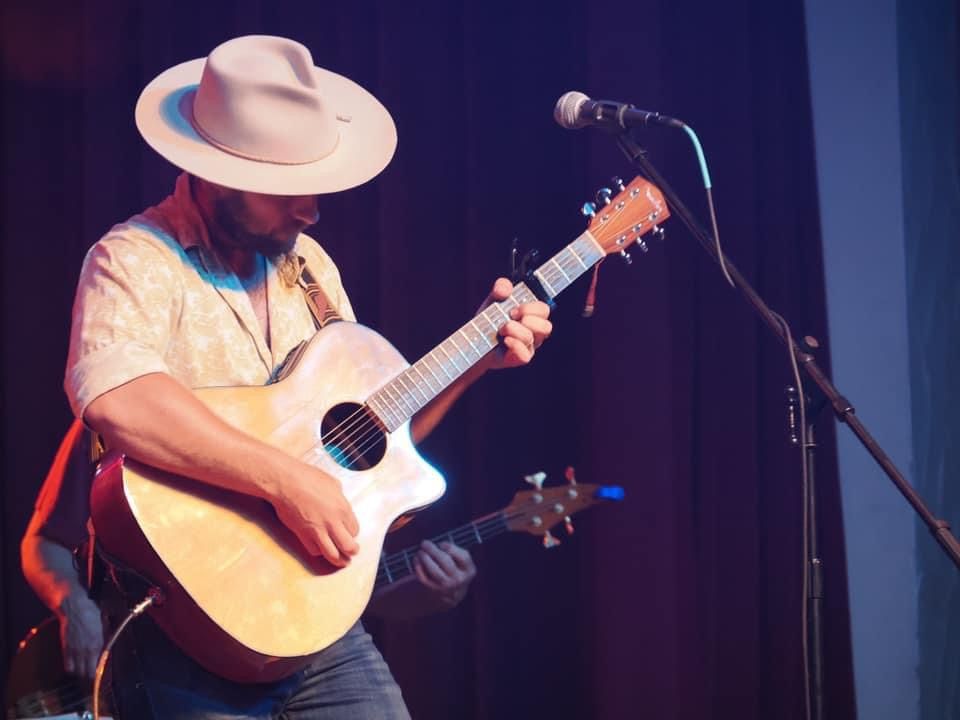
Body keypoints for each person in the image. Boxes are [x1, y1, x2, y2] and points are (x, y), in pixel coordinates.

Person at [56, 34, 551, 719]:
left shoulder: (310, 266)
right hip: (182, 628)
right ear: (217, 172)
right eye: (286, 189)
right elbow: (119, 400)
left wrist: (477, 361)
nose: (311, 210)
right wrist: (284, 480)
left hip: (311, 626)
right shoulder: (136, 258)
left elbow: (367, 434)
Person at [21, 420, 478, 682]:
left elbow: (332, 592)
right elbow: (45, 541)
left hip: (296, 661)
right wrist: (73, 607)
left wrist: (424, 594)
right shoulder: (126, 415)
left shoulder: (293, 413)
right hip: (158, 658)